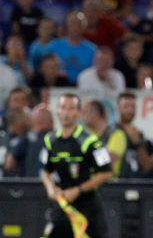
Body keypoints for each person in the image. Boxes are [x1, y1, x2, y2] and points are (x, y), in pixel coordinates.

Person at [41, 93, 112, 237]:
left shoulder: (91, 142)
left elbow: (106, 173)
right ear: (57, 111)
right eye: (63, 108)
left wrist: (78, 190)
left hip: (88, 207)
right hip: (63, 206)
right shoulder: (50, 140)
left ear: (79, 113)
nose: (66, 113)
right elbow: (45, 171)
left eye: (71, 109)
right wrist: (51, 188)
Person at [82, 100, 127, 179]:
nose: (82, 116)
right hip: (87, 184)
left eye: (85, 112)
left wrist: (85, 158)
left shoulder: (116, 134)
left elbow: (107, 161)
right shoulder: (85, 136)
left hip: (109, 186)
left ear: (95, 113)